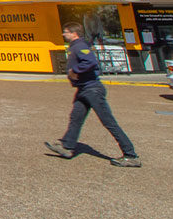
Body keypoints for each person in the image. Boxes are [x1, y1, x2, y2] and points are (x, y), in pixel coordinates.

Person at [45, 22, 140, 167]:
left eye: (66, 32)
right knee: (76, 118)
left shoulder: (79, 46)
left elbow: (90, 62)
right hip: (83, 89)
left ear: (74, 33)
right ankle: (67, 146)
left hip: (92, 89)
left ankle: (130, 155)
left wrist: (74, 70)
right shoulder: (76, 46)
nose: (64, 34)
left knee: (108, 122)